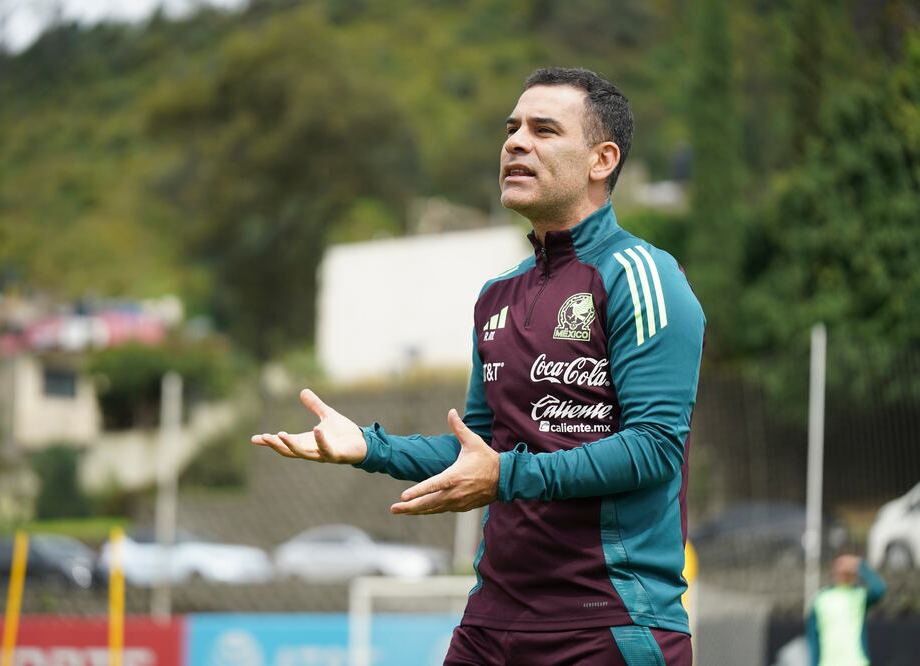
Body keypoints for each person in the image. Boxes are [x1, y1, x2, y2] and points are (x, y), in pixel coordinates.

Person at [252, 67, 705, 665]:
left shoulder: (641, 276)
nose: (516, 142)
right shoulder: (497, 296)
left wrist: (507, 477)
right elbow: (481, 453)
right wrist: (368, 446)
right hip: (492, 622)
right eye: (511, 128)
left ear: (602, 160)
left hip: (606, 623)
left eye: (544, 130)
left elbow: (652, 448)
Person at [806, 554, 886, 666]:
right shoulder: (820, 599)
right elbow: (813, 640)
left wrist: (860, 566)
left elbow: (879, 589)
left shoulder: (859, 595)